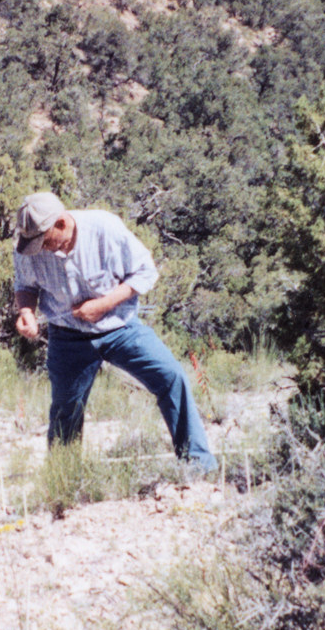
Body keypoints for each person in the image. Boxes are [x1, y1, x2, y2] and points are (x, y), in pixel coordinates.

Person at [12, 191, 217, 472]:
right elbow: (25, 286)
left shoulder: (104, 228)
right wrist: (26, 313)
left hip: (120, 327)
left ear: (61, 224)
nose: (41, 249)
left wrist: (104, 304)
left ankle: (198, 464)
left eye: (45, 242)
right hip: (67, 337)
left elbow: (146, 272)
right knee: (65, 409)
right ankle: (62, 480)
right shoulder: (29, 247)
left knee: (171, 376)